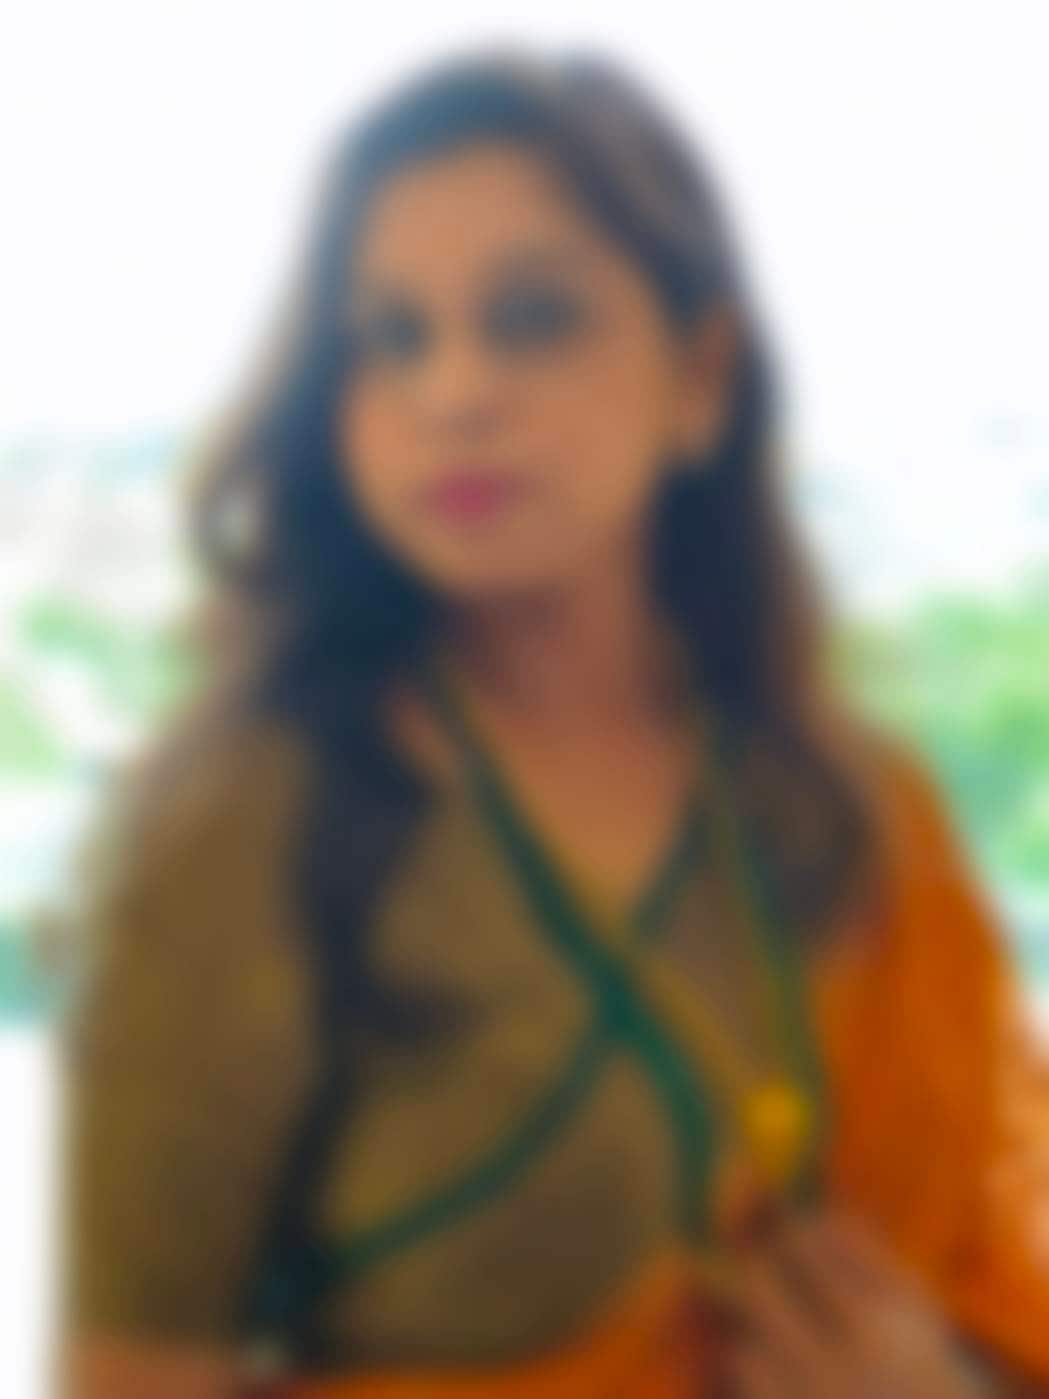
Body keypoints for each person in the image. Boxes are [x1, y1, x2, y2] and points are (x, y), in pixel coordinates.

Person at [58, 42, 1049, 1398]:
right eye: (390, 339)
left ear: (700, 376)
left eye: (532, 319)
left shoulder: (854, 812)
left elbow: (1000, 1276)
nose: (453, 392)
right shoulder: (249, 822)